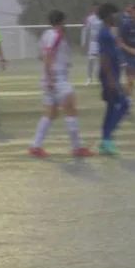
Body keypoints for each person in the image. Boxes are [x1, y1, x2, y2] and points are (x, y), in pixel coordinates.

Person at [29, 10, 94, 158]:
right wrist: (51, 76)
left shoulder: (46, 34)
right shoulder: (56, 35)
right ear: (62, 21)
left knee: (50, 113)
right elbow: (47, 56)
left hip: (49, 79)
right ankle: (77, 147)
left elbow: (41, 55)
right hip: (57, 79)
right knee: (70, 108)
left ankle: (35, 145)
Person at [96, 2, 135, 155]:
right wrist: (110, 79)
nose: (117, 17)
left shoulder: (109, 32)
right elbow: (104, 58)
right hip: (109, 75)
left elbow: (115, 53)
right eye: (115, 14)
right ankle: (107, 139)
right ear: (108, 16)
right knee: (124, 104)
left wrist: (125, 65)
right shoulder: (104, 34)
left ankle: (105, 140)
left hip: (113, 74)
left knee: (112, 107)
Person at [81, 1, 103, 85]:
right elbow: (85, 30)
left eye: (98, 8)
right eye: (95, 8)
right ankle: (89, 78)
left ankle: (100, 79)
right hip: (93, 43)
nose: (97, 9)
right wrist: (83, 42)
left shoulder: (103, 18)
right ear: (93, 8)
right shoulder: (90, 18)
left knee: (100, 62)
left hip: (101, 42)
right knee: (90, 60)